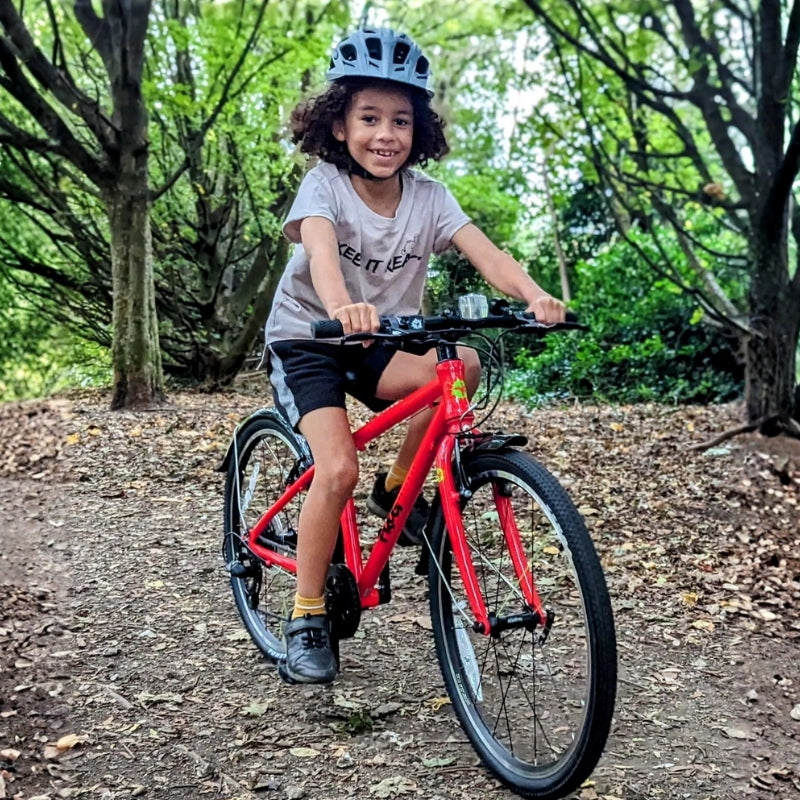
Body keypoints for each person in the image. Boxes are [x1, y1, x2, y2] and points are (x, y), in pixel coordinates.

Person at [263, 27, 565, 684]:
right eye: (369, 118)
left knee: (461, 368)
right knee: (335, 468)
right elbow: (319, 252)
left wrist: (536, 295)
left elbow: (490, 256)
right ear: (339, 125)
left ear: (418, 129)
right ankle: (307, 613)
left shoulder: (429, 198)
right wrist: (343, 304)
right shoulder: (325, 187)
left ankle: (398, 491)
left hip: (377, 343)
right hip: (306, 341)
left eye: (401, 120)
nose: (385, 133)